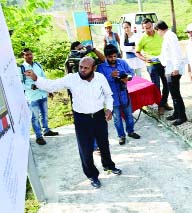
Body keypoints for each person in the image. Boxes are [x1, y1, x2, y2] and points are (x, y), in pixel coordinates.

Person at [24, 57, 122, 189]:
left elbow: (108, 95)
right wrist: (36, 78)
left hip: (99, 116)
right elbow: (52, 85)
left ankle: (109, 166)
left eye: (86, 68)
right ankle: (92, 175)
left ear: (93, 68)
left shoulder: (100, 77)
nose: (82, 70)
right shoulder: (72, 78)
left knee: (104, 143)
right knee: (85, 149)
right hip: (82, 119)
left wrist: (109, 108)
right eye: (81, 67)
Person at [97, 44, 140, 145]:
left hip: (124, 93)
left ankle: (131, 131)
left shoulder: (122, 62)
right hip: (111, 97)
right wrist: (110, 76)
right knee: (117, 118)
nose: (113, 58)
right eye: (110, 57)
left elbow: (131, 73)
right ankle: (121, 136)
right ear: (106, 56)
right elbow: (99, 82)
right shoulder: (101, 67)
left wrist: (127, 78)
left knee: (129, 115)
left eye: (115, 56)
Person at [20, 48, 58, 145]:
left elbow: (43, 78)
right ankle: (38, 136)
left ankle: (46, 131)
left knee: (44, 114)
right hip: (32, 97)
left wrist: (48, 90)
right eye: (26, 55)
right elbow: (20, 84)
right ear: (23, 56)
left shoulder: (37, 65)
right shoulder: (22, 68)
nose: (29, 56)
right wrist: (30, 86)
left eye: (30, 54)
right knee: (35, 117)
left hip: (42, 94)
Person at [136, 18, 172, 115]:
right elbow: (137, 52)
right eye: (146, 28)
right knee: (156, 86)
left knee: (167, 83)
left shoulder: (160, 34)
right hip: (151, 65)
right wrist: (144, 59)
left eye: (150, 27)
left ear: (152, 25)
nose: (149, 30)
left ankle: (164, 103)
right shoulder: (142, 38)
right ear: (143, 28)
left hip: (163, 63)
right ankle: (160, 105)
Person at [155, 20, 187, 126]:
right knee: (173, 94)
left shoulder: (170, 36)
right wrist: (154, 58)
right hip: (169, 68)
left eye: (157, 31)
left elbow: (176, 53)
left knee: (176, 94)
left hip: (173, 69)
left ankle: (182, 116)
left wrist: (176, 68)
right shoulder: (167, 36)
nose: (158, 34)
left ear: (160, 29)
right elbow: (165, 54)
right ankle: (176, 113)